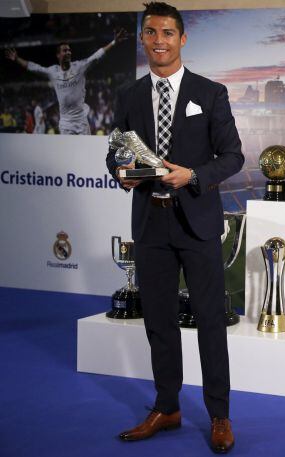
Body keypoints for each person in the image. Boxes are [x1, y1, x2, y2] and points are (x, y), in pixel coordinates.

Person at [105, 2, 243, 453]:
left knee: (209, 323)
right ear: (143, 39)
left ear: (182, 39)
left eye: (167, 32)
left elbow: (233, 156)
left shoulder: (211, 92)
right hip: (150, 223)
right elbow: (116, 154)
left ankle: (219, 415)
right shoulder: (128, 96)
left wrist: (194, 176)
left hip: (197, 220)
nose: (158, 40)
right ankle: (167, 407)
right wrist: (122, 171)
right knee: (159, 323)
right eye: (150, 32)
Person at [4, 29, 126, 135]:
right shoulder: (53, 72)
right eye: (64, 50)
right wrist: (17, 59)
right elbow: (34, 67)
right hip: (66, 123)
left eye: (69, 50)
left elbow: (97, 56)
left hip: (81, 122)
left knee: (84, 151)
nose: (68, 52)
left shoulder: (79, 67)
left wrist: (114, 42)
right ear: (58, 55)